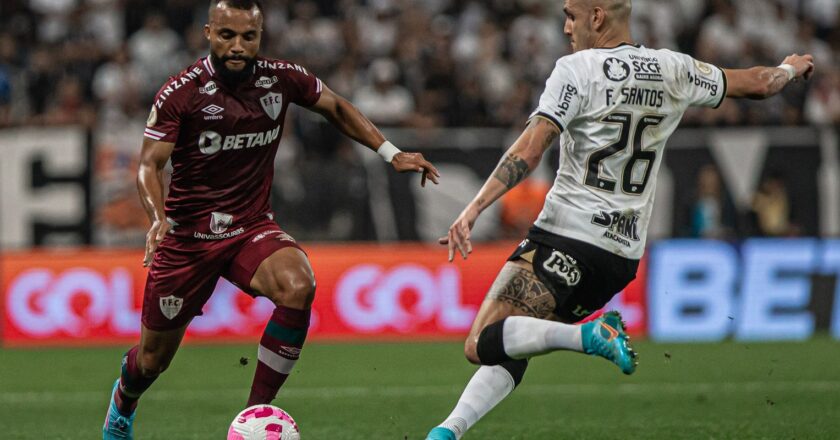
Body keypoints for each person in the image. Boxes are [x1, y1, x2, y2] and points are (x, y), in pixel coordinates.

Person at [426, 0, 814, 438]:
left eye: (572, 15)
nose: (567, 27)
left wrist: (475, 206)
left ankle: (593, 336)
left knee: (481, 342)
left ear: (597, 17)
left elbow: (532, 147)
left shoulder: (577, 70)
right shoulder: (675, 69)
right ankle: (448, 432)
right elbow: (760, 85)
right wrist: (790, 67)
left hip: (566, 236)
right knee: (521, 339)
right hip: (619, 259)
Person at [101, 1, 440, 438]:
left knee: (299, 286)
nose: (239, 46)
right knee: (151, 362)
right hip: (188, 238)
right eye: (227, 35)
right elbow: (150, 165)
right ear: (208, 32)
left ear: (261, 35)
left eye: (249, 36)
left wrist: (392, 153)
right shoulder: (181, 92)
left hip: (250, 227)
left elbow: (335, 106)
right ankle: (122, 404)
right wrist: (156, 218)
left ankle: (253, 418)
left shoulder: (281, 78)